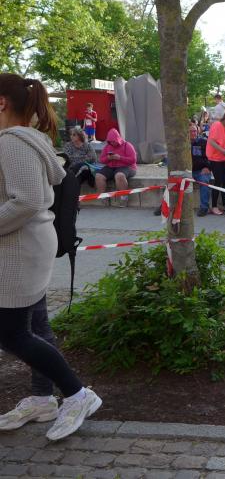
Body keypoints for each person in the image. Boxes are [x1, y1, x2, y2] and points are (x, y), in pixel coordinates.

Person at [0, 73, 102, 440]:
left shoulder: (11, 142)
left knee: (12, 333)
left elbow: (27, 200)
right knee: (34, 326)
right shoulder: (28, 139)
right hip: (26, 246)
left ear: (1, 102)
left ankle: (77, 394)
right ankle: (43, 399)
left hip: (19, 249)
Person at [96, 128, 137, 208]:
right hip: (111, 166)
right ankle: (103, 198)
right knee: (98, 176)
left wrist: (120, 158)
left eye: (114, 141)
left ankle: (124, 198)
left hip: (127, 166)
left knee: (119, 176)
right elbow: (101, 160)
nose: (112, 143)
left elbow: (133, 160)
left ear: (117, 139)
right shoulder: (107, 146)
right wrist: (108, 158)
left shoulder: (127, 145)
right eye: (110, 142)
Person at [189, 125, 212, 217]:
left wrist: (208, 167)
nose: (193, 133)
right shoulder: (183, 144)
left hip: (201, 171)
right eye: (190, 131)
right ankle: (166, 205)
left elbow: (212, 156)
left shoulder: (203, 142)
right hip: (188, 171)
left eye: (194, 131)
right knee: (174, 181)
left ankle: (204, 207)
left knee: (204, 181)